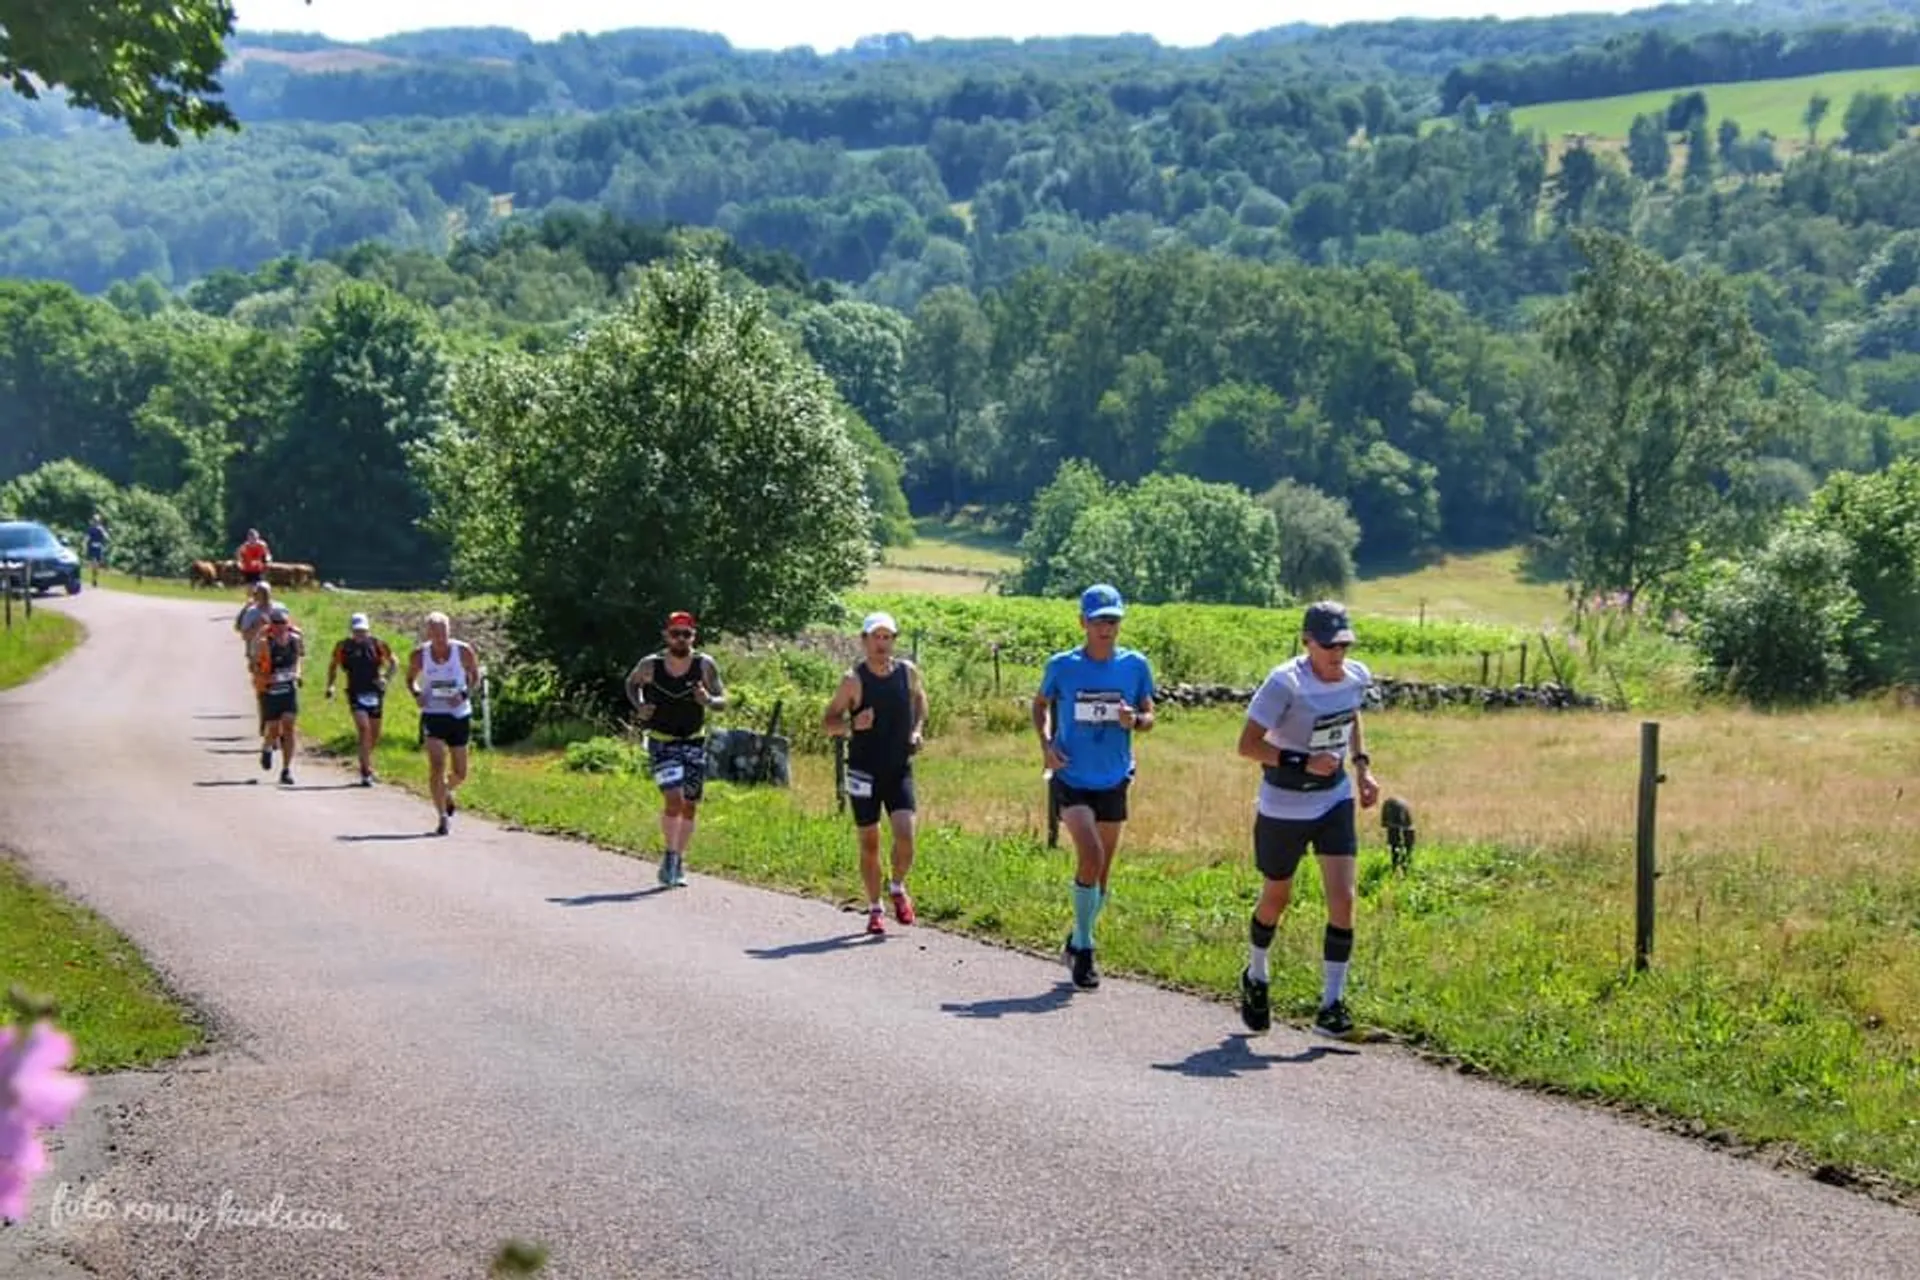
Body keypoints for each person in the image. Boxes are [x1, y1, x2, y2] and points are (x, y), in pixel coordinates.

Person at [1234, 601, 1382, 1041]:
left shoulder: (1357, 675)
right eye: (1329, 645)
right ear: (1307, 643)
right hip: (1283, 805)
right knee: (1277, 897)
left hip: (1334, 799)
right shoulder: (1285, 683)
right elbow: (1247, 745)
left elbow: (1350, 715)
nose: (1338, 653)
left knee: (1344, 898)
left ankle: (1331, 1006)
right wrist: (1301, 760)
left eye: (1344, 644)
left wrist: (1362, 766)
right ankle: (1256, 974)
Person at [1031, 584, 1156, 991]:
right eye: (1099, 620)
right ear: (1082, 622)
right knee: (1090, 853)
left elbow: (1150, 714)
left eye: (1113, 620)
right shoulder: (1063, 666)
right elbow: (1039, 704)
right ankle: (1085, 950)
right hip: (1071, 776)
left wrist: (1133, 719)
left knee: (1101, 872)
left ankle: (1076, 935)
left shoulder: (1135, 665)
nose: (1107, 628)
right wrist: (1047, 746)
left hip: (1114, 776)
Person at [822, 611, 928, 936]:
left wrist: (917, 729)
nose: (882, 644)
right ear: (864, 640)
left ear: (893, 640)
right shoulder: (852, 680)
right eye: (876, 637)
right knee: (869, 842)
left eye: (887, 637)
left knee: (905, 837)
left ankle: (896, 887)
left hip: (898, 769)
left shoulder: (906, 672)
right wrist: (853, 725)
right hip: (863, 772)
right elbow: (828, 722)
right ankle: (874, 908)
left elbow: (920, 699)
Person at [624, 611, 726, 888]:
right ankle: (669, 856)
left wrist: (708, 700)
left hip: (694, 740)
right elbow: (631, 684)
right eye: (675, 633)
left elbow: (722, 700)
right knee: (674, 799)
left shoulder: (704, 665)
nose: (681, 639)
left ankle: (678, 858)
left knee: (690, 804)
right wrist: (639, 705)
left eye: (686, 634)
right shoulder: (651, 665)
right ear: (666, 635)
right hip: (662, 740)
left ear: (694, 636)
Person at [408, 612, 481, 837]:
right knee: (437, 765)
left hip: (458, 714)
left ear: (449, 631)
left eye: (444, 633)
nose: (440, 638)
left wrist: (464, 694)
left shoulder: (463, 651)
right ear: (428, 634)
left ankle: (447, 790)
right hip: (433, 713)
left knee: (460, 772)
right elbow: (410, 679)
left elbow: (475, 676)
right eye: (435, 634)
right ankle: (442, 817)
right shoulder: (420, 655)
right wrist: (417, 693)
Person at [327, 612, 398, 787]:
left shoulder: (378, 644)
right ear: (351, 630)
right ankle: (365, 772)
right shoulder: (343, 647)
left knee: (374, 734)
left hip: (375, 693)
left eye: (363, 631)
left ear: (368, 630)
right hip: (355, 692)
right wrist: (331, 685)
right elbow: (333, 666)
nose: (360, 634)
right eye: (357, 631)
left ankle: (366, 760)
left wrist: (386, 678)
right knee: (364, 729)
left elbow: (394, 662)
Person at [252, 604, 304, 786]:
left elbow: (298, 659)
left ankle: (286, 769)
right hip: (270, 689)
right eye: (276, 623)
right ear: (271, 624)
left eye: (282, 622)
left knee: (289, 725)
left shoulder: (295, 640)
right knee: (274, 729)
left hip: (288, 687)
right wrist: (266, 678)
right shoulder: (263, 643)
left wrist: (297, 674)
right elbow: (255, 667)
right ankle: (267, 747)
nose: (279, 626)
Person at [235, 584, 277, 734]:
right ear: (256, 595)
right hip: (257, 654)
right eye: (261, 593)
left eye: (267, 593)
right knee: (262, 690)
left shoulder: (279, 610)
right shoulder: (251, 613)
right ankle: (263, 719)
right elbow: (244, 635)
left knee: (278, 687)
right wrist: (258, 627)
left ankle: (275, 721)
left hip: (278, 653)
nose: (265, 596)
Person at [84, 513, 108, 585]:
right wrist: (84, 544)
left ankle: (95, 577)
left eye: (97, 520)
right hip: (92, 547)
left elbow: (107, 537)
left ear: (99, 521)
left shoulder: (101, 529)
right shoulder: (90, 528)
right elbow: (87, 537)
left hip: (99, 547)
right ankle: (94, 578)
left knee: (98, 564)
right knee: (94, 562)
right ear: (93, 521)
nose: (96, 521)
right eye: (95, 520)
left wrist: (102, 531)